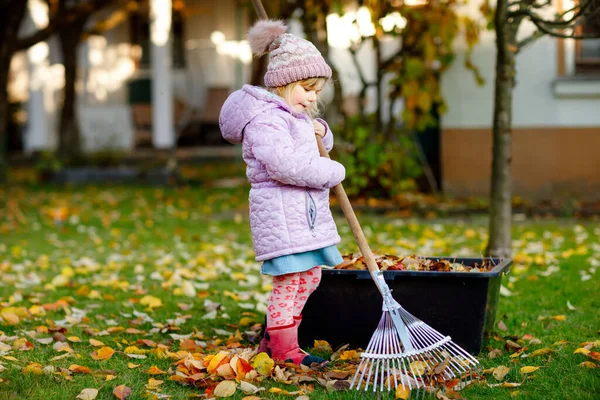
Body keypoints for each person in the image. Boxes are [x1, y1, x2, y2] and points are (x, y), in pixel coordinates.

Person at [219, 19, 346, 366]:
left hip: (301, 216)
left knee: (311, 276)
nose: (312, 97)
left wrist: (320, 132)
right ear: (284, 82)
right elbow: (284, 164)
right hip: (281, 215)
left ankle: (273, 342)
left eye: (317, 91)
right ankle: (285, 350)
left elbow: (310, 147)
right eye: (307, 88)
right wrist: (330, 172)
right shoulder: (266, 120)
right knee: (289, 281)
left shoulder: (292, 116)